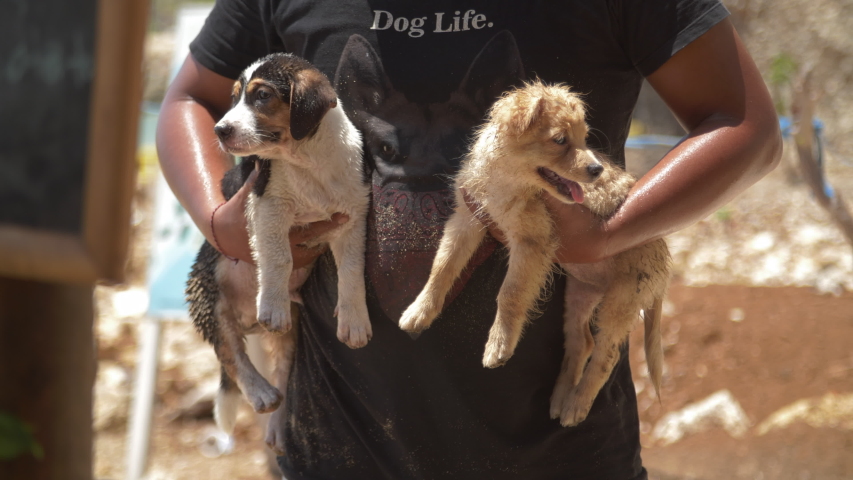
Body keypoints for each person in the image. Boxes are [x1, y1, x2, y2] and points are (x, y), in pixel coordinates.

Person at [156, 1, 782, 478]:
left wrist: (610, 229)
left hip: (557, 456)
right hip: (335, 445)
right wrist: (220, 220)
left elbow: (746, 124)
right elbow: (190, 97)